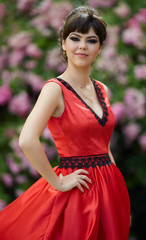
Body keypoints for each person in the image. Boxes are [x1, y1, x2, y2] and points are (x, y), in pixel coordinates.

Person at [0, 6, 130, 240]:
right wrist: (57, 182)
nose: (82, 46)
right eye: (75, 38)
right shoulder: (54, 89)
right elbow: (27, 140)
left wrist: (118, 193)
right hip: (79, 188)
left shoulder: (102, 89)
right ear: (63, 43)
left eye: (91, 40)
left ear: (99, 48)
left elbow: (104, 143)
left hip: (111, 187)